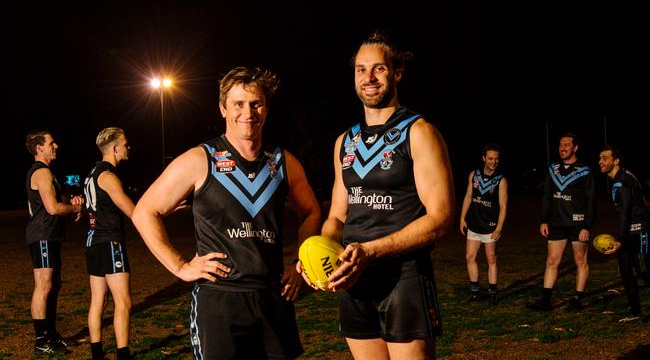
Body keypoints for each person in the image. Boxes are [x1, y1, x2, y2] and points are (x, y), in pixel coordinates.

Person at [132, 66, 321, 360]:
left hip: (273, 297)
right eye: (238, 104)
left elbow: (310, 211)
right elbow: (144, 211)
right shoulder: (199, 159)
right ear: (223, 108)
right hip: (220, 300)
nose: (248, 112)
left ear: (266, 109)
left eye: (256, 103)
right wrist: (180, 266)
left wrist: (300, 263)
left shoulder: (283, 162)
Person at [315, 31, 454, 360]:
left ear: (397, 73)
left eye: (378, 68)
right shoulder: (344, 142)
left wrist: (371, 251)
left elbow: (440, 218)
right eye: (361, 69)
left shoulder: (419, 132)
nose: (369, 77)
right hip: (356, 280)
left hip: (403, 277)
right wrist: (320, 251)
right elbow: (336, 216)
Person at [25, 130, 83, 355]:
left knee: (54, 285)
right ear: (39, 148)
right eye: (51, 143)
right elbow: (53, 208)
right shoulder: (41, 172)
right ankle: (41, 339)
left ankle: (51, 334)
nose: (56, 146)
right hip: (42, 236)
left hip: (50, 235)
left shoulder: (47, 173)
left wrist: (72, 200)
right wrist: (76, 208)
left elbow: (59, 201)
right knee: (44, 285)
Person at [83, 127, 134, 359]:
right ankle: (123, 354)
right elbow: (131, 210)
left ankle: (97, 353)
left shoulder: (92, 173)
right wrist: (162, 210)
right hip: (110, 241)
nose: (128, 148)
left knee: (98, 300)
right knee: (123, 301)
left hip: (93, 241)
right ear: (114, 149)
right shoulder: (108, 176)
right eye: (125, 144)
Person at [530, 133, 596, 311]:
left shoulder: (585, 170)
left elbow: (590, 200)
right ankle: (545, 300)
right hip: (556, 223)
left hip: (577, 224)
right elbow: (547, 196)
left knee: (580, 261)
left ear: (575, 148)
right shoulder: (553, 169)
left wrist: (586, 226)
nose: (562, 148)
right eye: (560, 145)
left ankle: (577, 299)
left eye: (566, 145)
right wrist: (544, 220)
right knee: (551, 261)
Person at [598, 145, 650, 322]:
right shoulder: (620, 178)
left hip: (640, 232)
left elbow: (625, 212)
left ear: (616, 160)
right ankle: (635, 312)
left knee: (644, 272)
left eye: (605, 158)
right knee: (626, 272)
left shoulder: (623, 181)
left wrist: (620, 239)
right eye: (600, 158)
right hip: (628, 232)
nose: (601, 162)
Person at [459, 144, 508, 304]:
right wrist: (462, 218)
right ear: (484, 159)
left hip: (490, 226)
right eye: (491, 158)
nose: (494, 162)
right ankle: (474, 292)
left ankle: (492, 292)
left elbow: (503, 206)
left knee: (491, 258)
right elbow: (468, 197)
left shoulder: (501, 180)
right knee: (470, 257)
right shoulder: (474, 175)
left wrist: (499, 228)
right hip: (474, 223)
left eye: (496, 159)